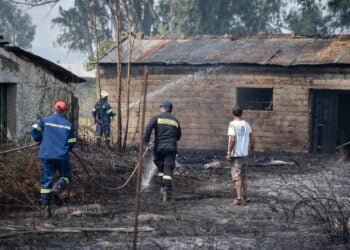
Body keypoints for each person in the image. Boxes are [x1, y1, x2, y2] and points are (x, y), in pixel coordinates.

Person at [31, 101, 77, 217]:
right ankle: (58, 187)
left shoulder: (45, 120)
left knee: (46, 180)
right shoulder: (68, 124)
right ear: (65, 111)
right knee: (66, 176)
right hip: (62, 156)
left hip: (46, 155)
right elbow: (72, 141)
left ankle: (46, 209)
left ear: (54, 108)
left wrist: (39, 139)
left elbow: (35, 129)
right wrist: (66, 148)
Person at [144, 101, 181, 202]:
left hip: (159, 148)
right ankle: (166, 191)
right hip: (171, 149)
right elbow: (178, 136)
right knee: (168, 170)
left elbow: (148, 128)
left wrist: (146, 141)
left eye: (161, 107)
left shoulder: (157, 117)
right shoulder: (175, 120)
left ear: (164, 108)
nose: (160, 108)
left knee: (160, 167)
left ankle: (162, 187)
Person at [226, 106, 255, 206]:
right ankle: (245, 196)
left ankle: (238, 198)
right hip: (245, 154)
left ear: (233, 114)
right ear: (241, 113)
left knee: (237, 177)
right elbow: (252, 138)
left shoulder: (232, 124)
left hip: (236, 155)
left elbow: (233, 139)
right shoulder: (246, 124)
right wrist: (252, 151)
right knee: (244, 177)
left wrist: (229, 153)